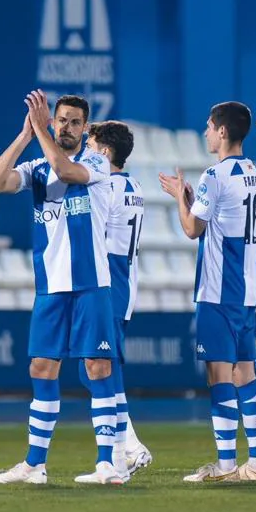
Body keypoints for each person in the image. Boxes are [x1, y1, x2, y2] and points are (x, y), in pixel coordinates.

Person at [0, 91, 124, 486]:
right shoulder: (36, 169)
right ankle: (34, 465)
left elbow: (67, 172)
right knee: (41, 368)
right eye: (60, 120)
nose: (65, 127)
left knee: (97, 368)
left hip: (90, 284)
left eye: (73, 122)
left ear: (85, 129)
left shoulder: (96, 163)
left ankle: (107, 463)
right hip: (50, 285)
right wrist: (24, 135)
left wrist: (44, 135)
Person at [160, 101, 256, 483]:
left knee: (219, 376)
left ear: (223, 131)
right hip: (246, 294)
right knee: (246, 373)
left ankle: (227, 466)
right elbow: (223, 220)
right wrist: (194, 200)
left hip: (217, 291)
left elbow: (193, 229)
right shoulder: (255, 174)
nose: (207, 132)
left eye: (210, 126)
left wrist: (180, 197)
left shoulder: (215, 174)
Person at [87, 119, 150, 476]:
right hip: (125, 278)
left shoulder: (106, 186)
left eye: (92, 146)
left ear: (105, 152)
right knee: (97, 366)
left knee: (98, 366)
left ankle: (125, 447)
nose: (86, 152)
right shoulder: (133, 186)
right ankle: (128, 444)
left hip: (109, 279)